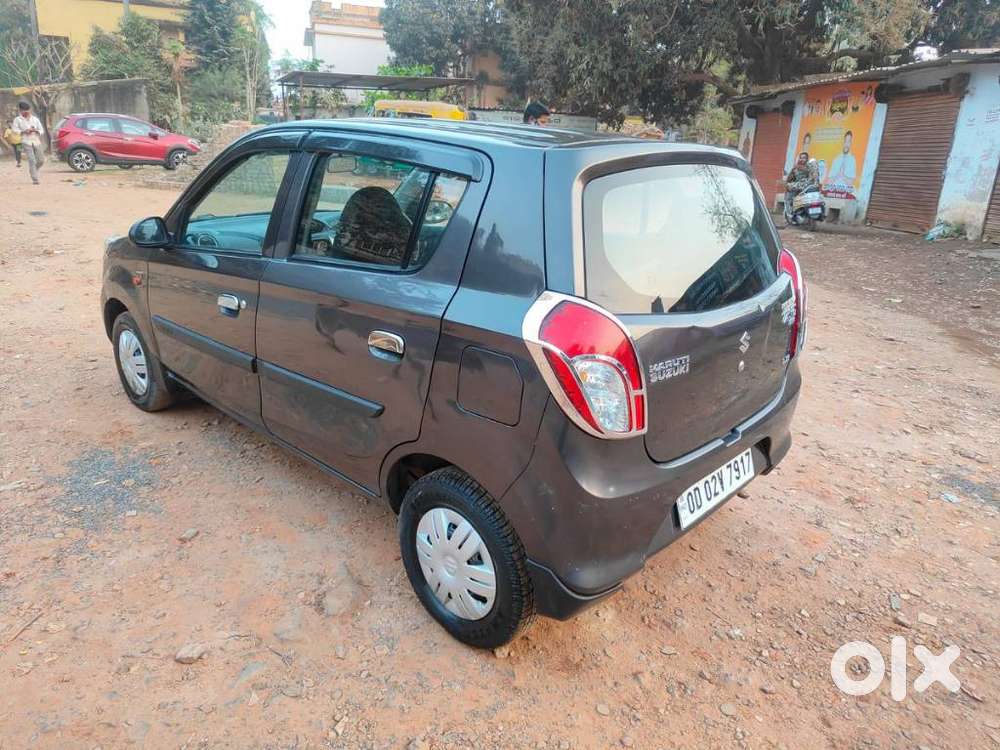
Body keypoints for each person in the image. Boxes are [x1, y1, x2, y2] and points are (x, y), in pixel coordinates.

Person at [12, 101, 45, 184]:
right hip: (26, 141)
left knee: (41, 160)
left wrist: (36, 131)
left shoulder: (35, 119)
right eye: (24, 111)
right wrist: (24, 131)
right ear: (20, 110)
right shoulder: (17, 120)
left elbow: (41, 130)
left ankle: (33, 170)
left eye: (28, 111)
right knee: (32, 160)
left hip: (36, 141)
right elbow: (14, 130)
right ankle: (35, 179)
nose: (26, 112)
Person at [784, 151, 819, 222]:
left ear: (807, 159)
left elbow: (789, 180)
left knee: (788, 198)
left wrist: (789, 185)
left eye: (804, 158)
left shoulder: (804, 167)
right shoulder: (798, 168)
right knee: (789, 195)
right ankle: (793, 214)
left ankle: (790, 215)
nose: (802, 159)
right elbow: (789, 178)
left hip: (803, 188)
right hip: (805, 188)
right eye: (801, 158)